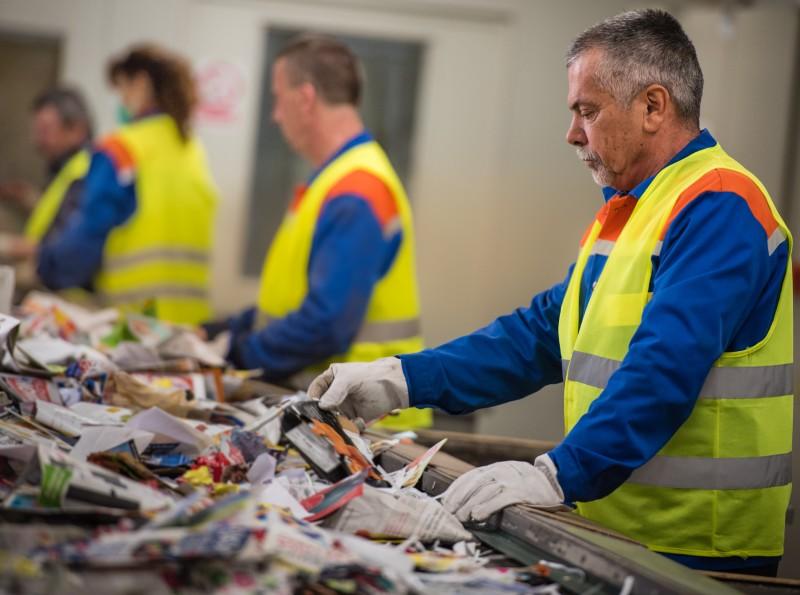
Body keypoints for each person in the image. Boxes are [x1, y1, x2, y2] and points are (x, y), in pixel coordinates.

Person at [308, 9, 792, 576]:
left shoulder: (720, 206)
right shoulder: (629, 209)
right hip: (615, 531)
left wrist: (558, 473)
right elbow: (538, 335)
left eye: (588, 111)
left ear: (654, 107)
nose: (572, 133)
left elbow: (665, 367)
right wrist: (402, 378)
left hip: (696, 550)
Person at [205, 34, 430, 429]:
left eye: (278, 98)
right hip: (344, 417)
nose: (275, 115)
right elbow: (294, 298)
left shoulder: (356, 189)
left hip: (367, 427)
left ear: (305, 98)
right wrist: (226, 329)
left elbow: (325, 324)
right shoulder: (337, 180)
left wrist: (237, 353)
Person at [36, 44, 218, 324]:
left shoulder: (122, 149)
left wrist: (45, 266)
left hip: (132, 327)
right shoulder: (192, 150)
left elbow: (85, 238)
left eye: (122, 87)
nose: (120, 99)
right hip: (189, 328)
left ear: (141, 83)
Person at [0, 87, 93, 258]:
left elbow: (64, 242)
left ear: (76, 130)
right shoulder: (66, 169)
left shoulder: (85, 171)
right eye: (36, 130)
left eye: (45, 130)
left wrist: (6, 246)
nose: (37, 140)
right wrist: (28, 198)